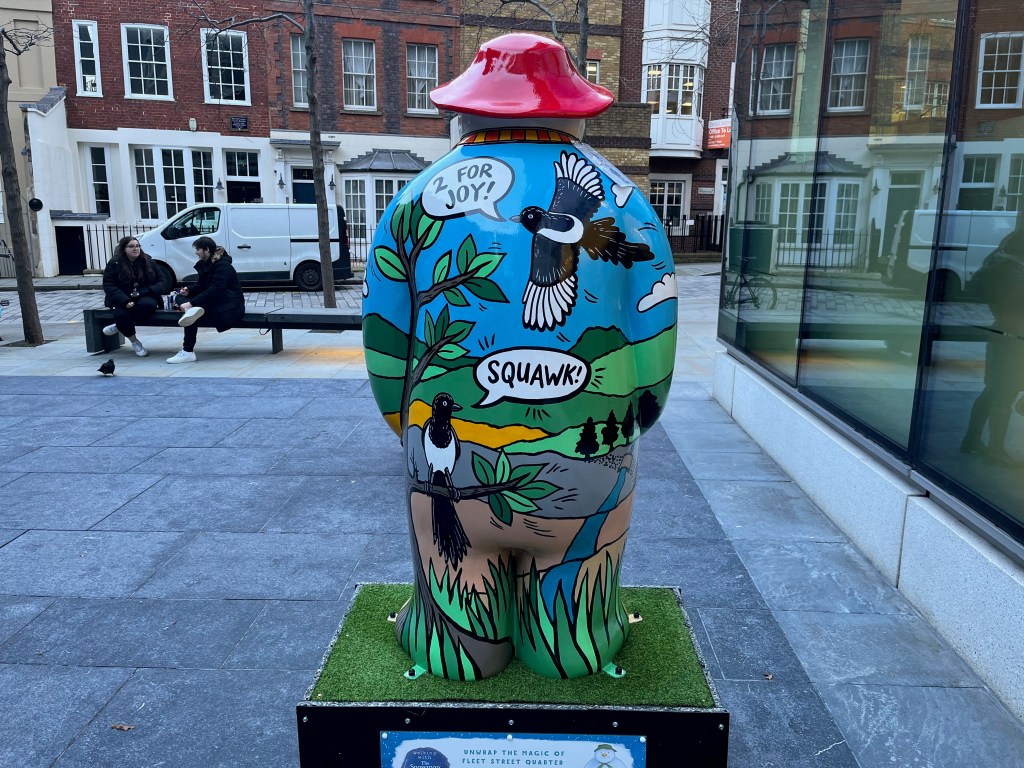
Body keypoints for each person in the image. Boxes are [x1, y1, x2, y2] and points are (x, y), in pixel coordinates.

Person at [960, 228, 1024, 466]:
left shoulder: (1000, 265)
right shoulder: (1015, 272)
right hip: (1015, 337)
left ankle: (972, 439)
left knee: (992, 390)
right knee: (1004, 393)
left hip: (1002, 333)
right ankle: (995, 449)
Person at [166, 236, 245, 363]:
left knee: (192, 314)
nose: (196, 252)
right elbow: (203, 285)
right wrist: (189, 290)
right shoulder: (207, 264)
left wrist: (192, 303)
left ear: (206, 250)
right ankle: (190, 312)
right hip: (215, 301)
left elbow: (216, 290)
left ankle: (187, 352)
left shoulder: (223, 266)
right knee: (180, 297)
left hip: (229, 305)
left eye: (198, 249)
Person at [102, 236, 167, 357]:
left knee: (147, 306)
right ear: (123, 249)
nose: (135, 248)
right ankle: (135, 342)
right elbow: (109, 285)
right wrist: (124, 300)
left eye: (137, 246)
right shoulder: (114, 263)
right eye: (131, 246)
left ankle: (119, 325)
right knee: (120, 314)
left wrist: (148, 291)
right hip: (122, 297)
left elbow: (163, 281)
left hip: (145, 295)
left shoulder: (148, 261)